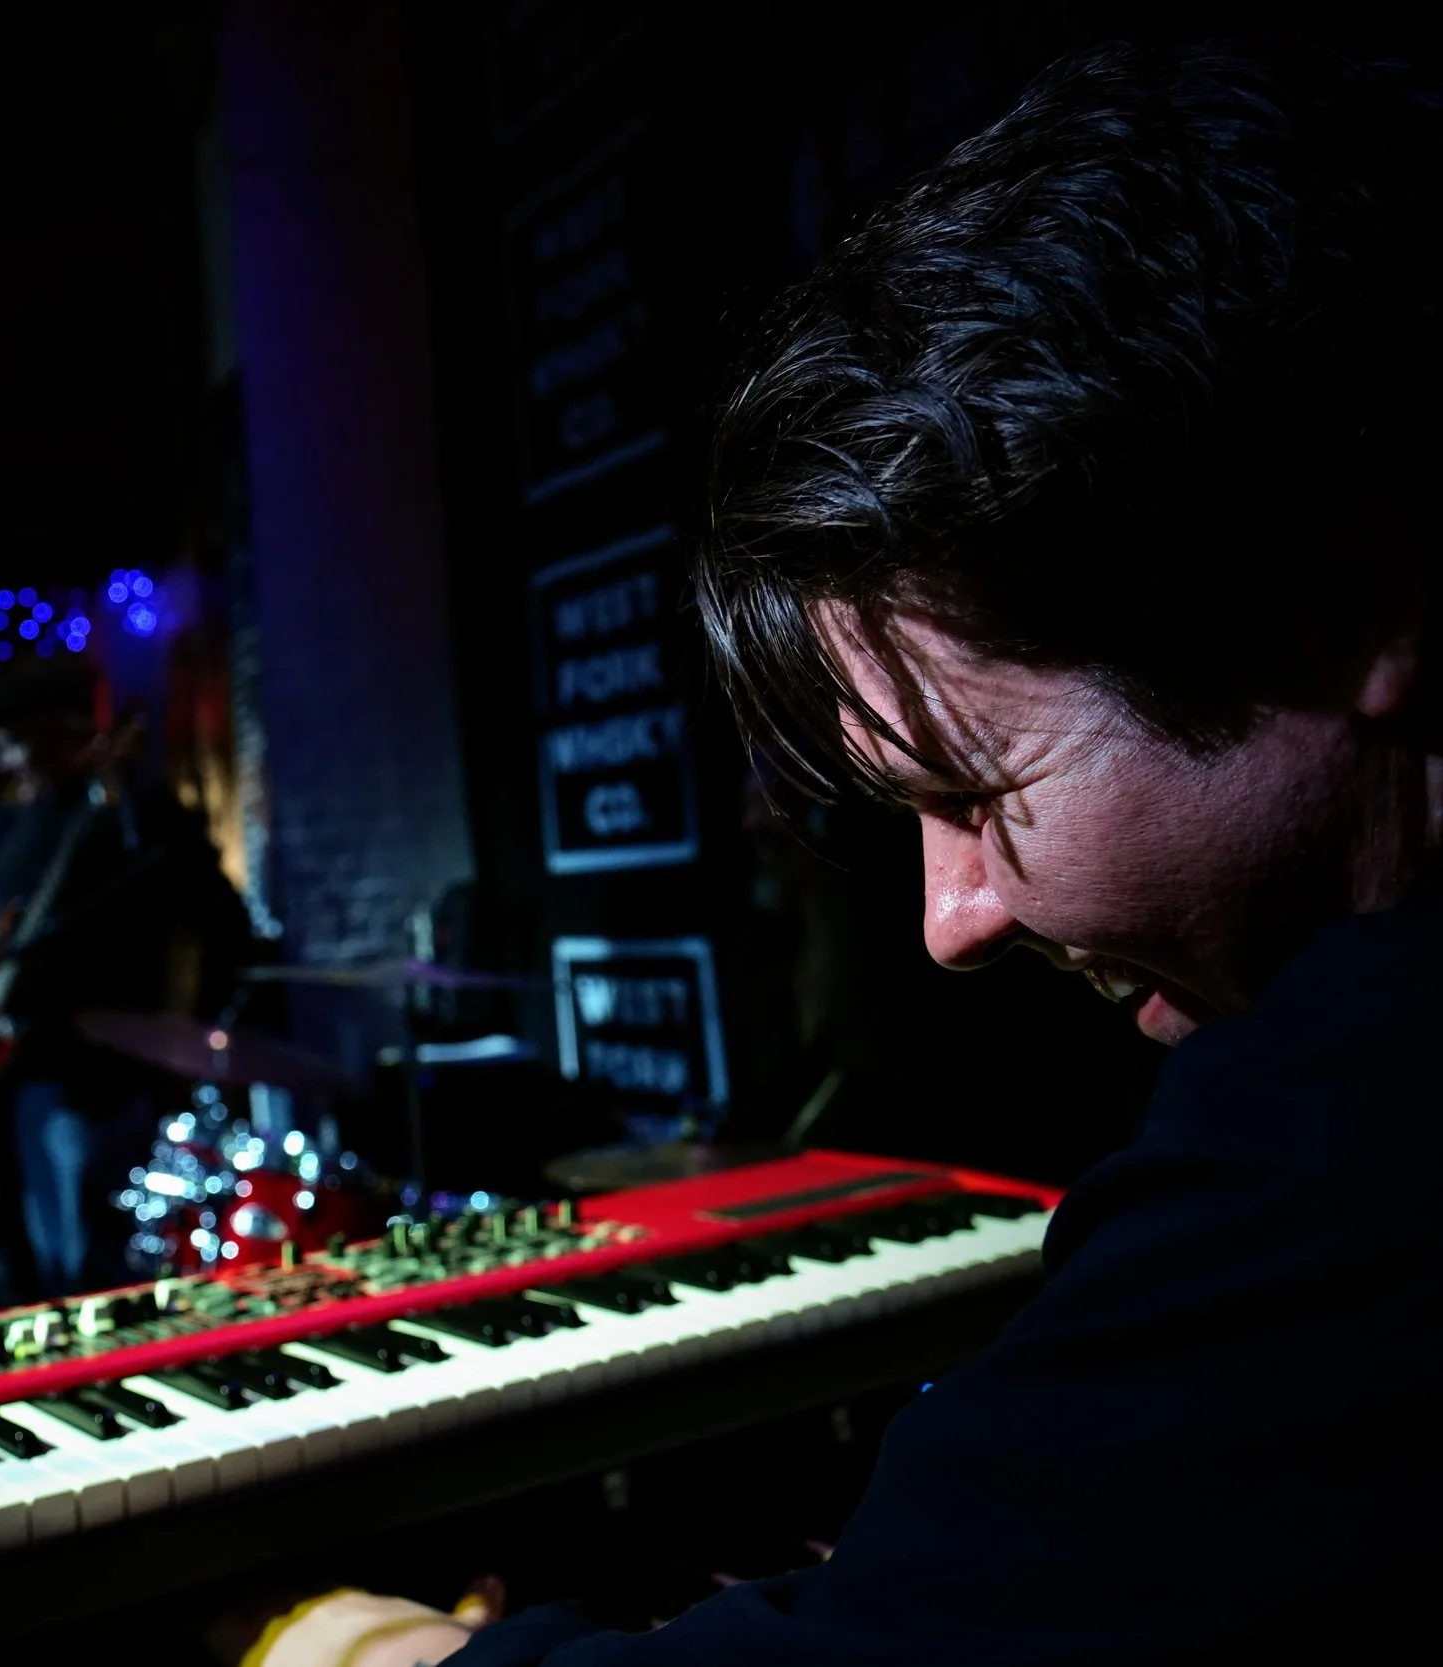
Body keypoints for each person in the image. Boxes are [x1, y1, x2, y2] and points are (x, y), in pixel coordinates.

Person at [252, 41, 1441, 1666]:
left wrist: (365, 1648)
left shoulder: (1368, 1106)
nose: (954, 917)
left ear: (1345, 613)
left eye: (977, 786)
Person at [0, 660, 251, 1308]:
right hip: (23, 1074)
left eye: (15, 743)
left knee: (91, 1257)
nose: (7, 763)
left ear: (62, 734)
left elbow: (225, 928)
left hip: (102, 1074)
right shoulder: (29, 825)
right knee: (33, 1253)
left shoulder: (142, 818)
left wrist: (195, 1033)